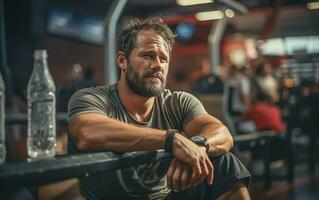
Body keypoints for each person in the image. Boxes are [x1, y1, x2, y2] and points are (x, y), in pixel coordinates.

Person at [67, 17, 251, 200]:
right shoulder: (91, 98)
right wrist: (171, 140)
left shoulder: (178, 102)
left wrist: (198, 147)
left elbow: (222, 133)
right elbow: (87, 132)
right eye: (147, 56)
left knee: (224, 162)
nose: (158, 65)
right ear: (122, 60)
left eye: (163, 58)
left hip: (165, 197)